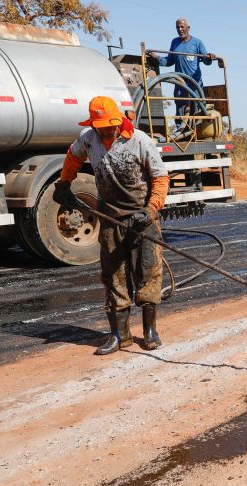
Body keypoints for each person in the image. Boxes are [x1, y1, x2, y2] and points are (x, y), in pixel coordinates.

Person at [53, 96, 170, 355]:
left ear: (118, 121)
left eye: (110, 126)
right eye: (101, 127)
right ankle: (120, 335)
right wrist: (64, 182)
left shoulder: (139, 140)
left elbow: (161, 178)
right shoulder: (88, 139)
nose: (107, 131)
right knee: (113, 277)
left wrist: (151, 210)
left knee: (148, 273)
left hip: (141, 220)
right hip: (110, 221)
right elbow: (73, 157)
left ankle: (150, 331)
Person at [146, 18, 218, 126]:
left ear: (188, 28)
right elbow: (169, 61)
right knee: (180, 107)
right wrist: (157, 58)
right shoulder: (175, 42)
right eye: (177, 27)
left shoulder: (197, 43)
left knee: (196, 107)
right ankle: (180, 130)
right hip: (180, 82)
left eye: (182, 27)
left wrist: (209, 57)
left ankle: (196, 130)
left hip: (194, 83)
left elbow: (205, 60)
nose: (180, 29)